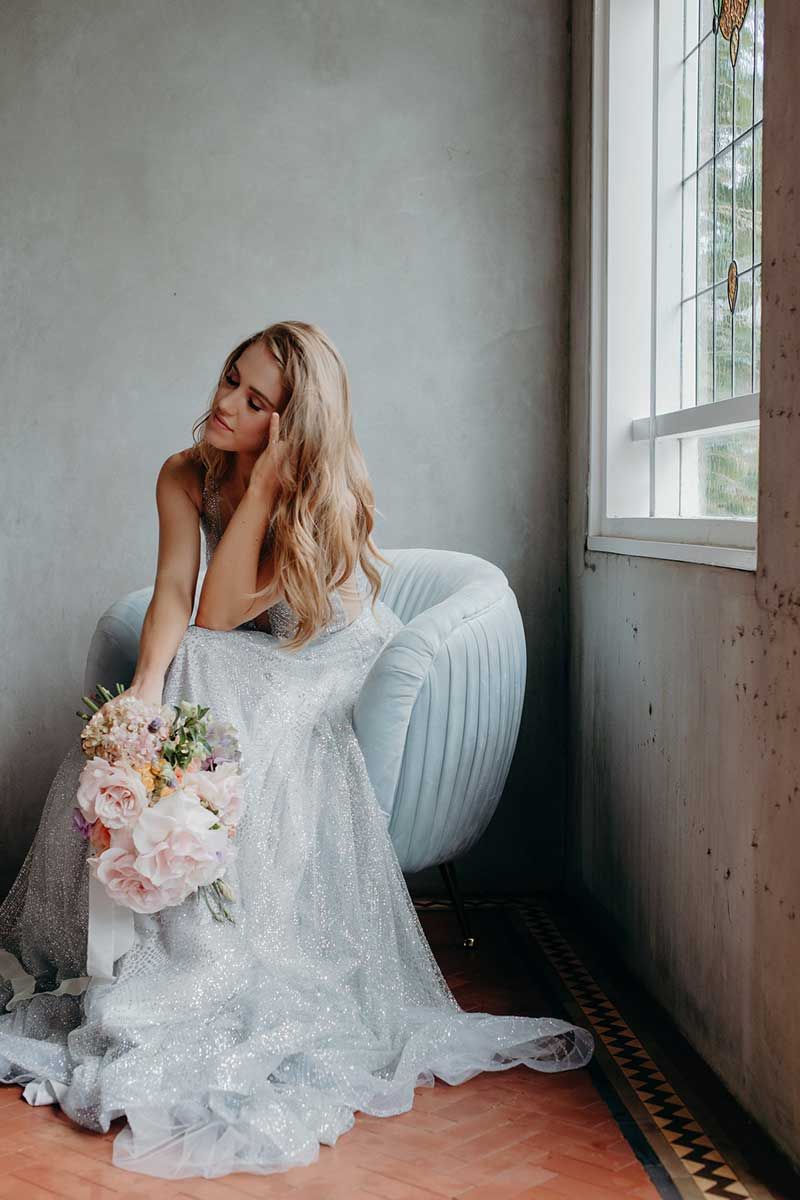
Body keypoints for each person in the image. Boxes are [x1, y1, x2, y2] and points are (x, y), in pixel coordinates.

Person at [0, 321, 594, 1180]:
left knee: (209, 672)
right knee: (160, 698)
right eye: (229, 379)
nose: (225, 403)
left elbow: (220, 611)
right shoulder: (183, 471)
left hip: (327, 659)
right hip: (244, 653)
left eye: (255, 399)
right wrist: (141, 698)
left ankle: (206, 953)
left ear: (291, 422)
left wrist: (270, 479)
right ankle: (154, 904)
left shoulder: (324, 490)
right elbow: (176, 594)